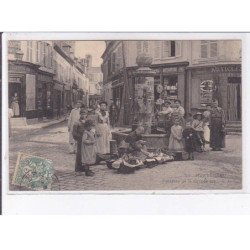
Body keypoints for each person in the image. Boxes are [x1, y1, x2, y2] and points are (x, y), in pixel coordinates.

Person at [72, 108, 89, 172]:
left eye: (85, 114)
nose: (83, 115)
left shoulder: (88, 122)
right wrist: (79, 138)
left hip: (87, 140)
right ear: (80, 114)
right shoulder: (77, 122)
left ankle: (86, 167)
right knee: (79, 154)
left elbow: (90, 130)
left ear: (87, 115)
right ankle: (78, 168)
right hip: (80, 140)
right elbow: (74, 133)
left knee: (87, 154)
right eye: (82, 114)